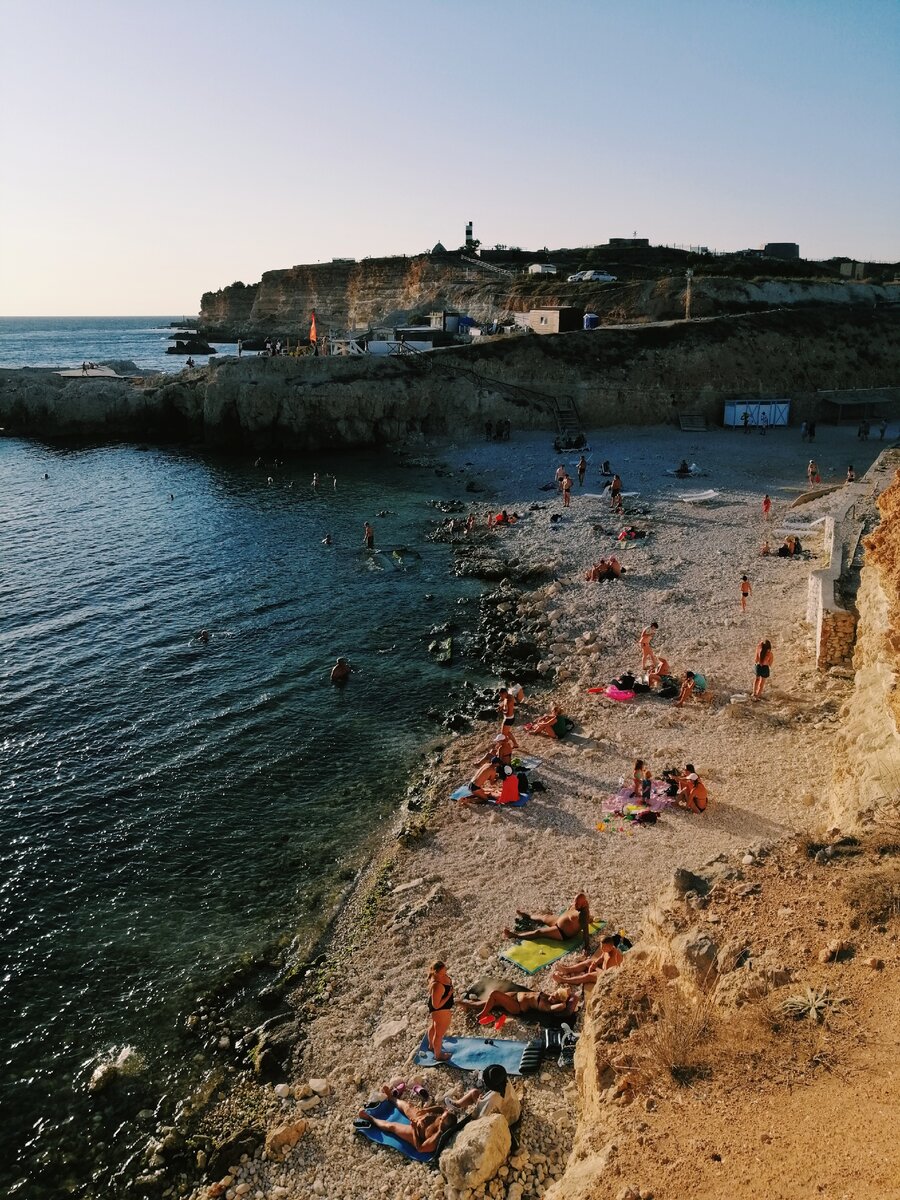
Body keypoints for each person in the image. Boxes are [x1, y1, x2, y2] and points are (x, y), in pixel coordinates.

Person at [359, 1093, 457, 1153]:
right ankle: (392, 1098)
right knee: (408, 1106)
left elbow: (420, 1148)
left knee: (392, 1126)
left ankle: (370, 1118)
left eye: (441, 1118)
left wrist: (414, 1128)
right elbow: (442, 1109)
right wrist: (426, 1110)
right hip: (421, 1119)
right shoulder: (445, 1117)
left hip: (417, 1134)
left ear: (442, 1123)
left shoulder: (435, 1138)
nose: (440, 1117)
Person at [503, 893, 591, 949]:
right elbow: (572, 909)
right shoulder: (579, 904)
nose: (575, 904)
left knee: (539, 932)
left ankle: (514, 935)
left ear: (583, 904)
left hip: (562, 932)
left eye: (577, 904)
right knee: (544, 917)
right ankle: (528, 916)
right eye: (574, 902)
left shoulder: (583, 915)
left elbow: (586, 933)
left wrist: (586, 947)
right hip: (559, 921)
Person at [460, 985, 578, 1025]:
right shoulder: (551, 998)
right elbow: (567, 990)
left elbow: (563, 1007)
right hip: (515, 995)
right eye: (553, 994)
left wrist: (566, 1002)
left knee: (494, 994)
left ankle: (483, 1014)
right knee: (483, 1003)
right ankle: (462, 1003)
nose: (551, 996)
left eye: (554, 998)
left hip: (517, 1006)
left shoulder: (549, 1006)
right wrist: (562, 993)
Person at [552, 936, 624, 985]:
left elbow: (605, 974)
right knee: (588, 961)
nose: (602, 949)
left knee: (588, 976)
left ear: (610, 946)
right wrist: (595, 963)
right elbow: (602, 958)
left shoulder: (612, 957)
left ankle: (563, 980)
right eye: (601, 947)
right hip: (603, 969)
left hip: (608, 976)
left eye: (604, 947)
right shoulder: (608, 949)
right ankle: (567, 970)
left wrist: (595, 967)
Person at [427, 961, 454, 1062]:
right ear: (436, 973)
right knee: (439, 1034)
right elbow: (436, 1005)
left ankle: (431, 1046)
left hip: (438, 1007)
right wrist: (448, 995)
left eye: (445, 971)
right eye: (442, 973)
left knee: (434, 1026)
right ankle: (438, 1056)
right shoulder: (437, 985)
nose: (445, 973)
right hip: (440, 1009)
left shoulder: (438, 978)